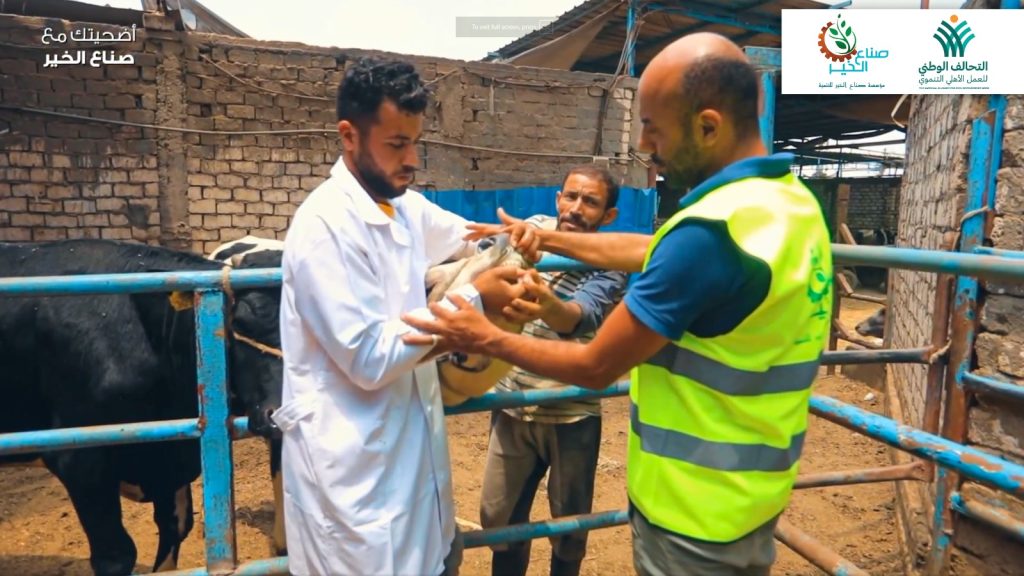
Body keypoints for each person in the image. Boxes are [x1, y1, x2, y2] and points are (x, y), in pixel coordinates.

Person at [402, 32, 834, 576]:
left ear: (707, 125)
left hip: (691, 510)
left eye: (653, 126)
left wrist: (483, 336)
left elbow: (596, 363)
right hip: (753, 492)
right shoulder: (789, 204)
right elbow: (649, 249)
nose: (647, 146)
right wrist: (551, 240)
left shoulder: (707, 235)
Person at [273, 56, 534, 576]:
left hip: (411, 475)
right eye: (397, 145)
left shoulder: (403, 206)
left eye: (416, 142)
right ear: (349, 136)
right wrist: (475, 300)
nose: (412, 159)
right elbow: (369, 358)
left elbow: (466, 236)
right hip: (354, 486)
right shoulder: (325, 227)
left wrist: (514, 236)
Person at [479, 165, 628, 576]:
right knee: (500, 521)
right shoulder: (532, 230)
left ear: (608, 216)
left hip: (571, 411)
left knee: (569, 530)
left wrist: (548, 305)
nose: (577, 208)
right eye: (571, 197)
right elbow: (482, 260)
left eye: (591, 202)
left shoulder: (611, 259)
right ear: (558, 198)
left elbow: (578, 318)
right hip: (514, 404)